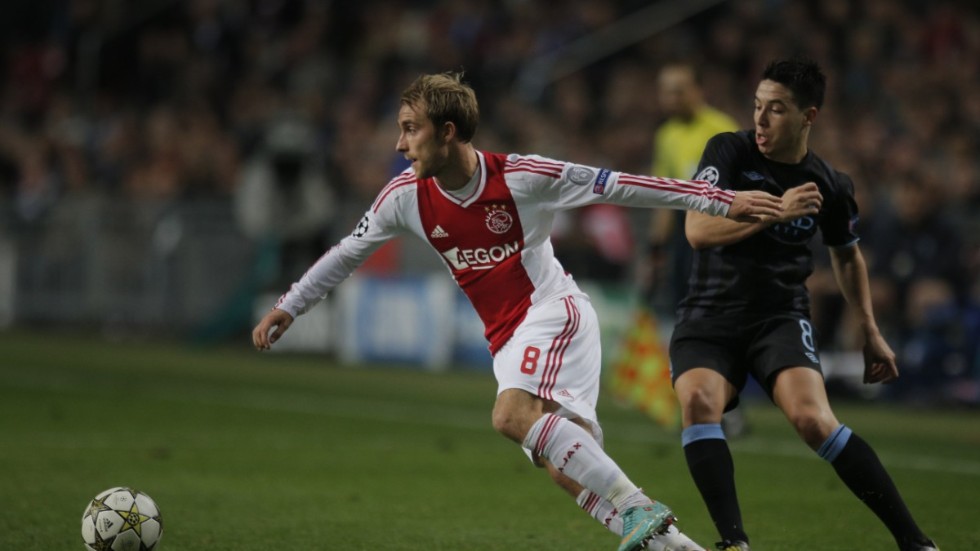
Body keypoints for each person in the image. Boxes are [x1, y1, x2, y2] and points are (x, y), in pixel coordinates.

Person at [252, 72, 783, 551]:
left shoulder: (524, 177)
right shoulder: (403, 197)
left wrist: (718, 200)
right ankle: (679, 548)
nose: (399, 143)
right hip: (506, 340)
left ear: (449, 132)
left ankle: (637, 506)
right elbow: (349, 250)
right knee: (565, 468)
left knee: (510, 416)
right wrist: (290, 305)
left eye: (411, 128)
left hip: (555, 312)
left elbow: (622, 185)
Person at [668, 57, 938, 551]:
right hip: (709, 316)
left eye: (776, 110)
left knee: (815, 421)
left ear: (808, 116)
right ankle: (734, 543)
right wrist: (775, 212)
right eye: (756, 107)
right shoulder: (726, 152)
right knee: (698, 402)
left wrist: (870, 330)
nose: (761, 120)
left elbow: (847, 256)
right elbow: (698, 231)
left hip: (779, 318)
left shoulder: (830, 184)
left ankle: (915, 541)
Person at [642, 62, 748, 436]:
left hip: (718, 237)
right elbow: (663, 196)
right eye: (665, 90)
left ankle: (729, 406)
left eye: (678, 90)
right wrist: (656, 250)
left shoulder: (721, 130)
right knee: (685, 317)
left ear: (698, 90)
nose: (671, 98)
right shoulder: (666, 135)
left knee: (718, 318)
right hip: (682, 242)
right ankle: (698, 398)